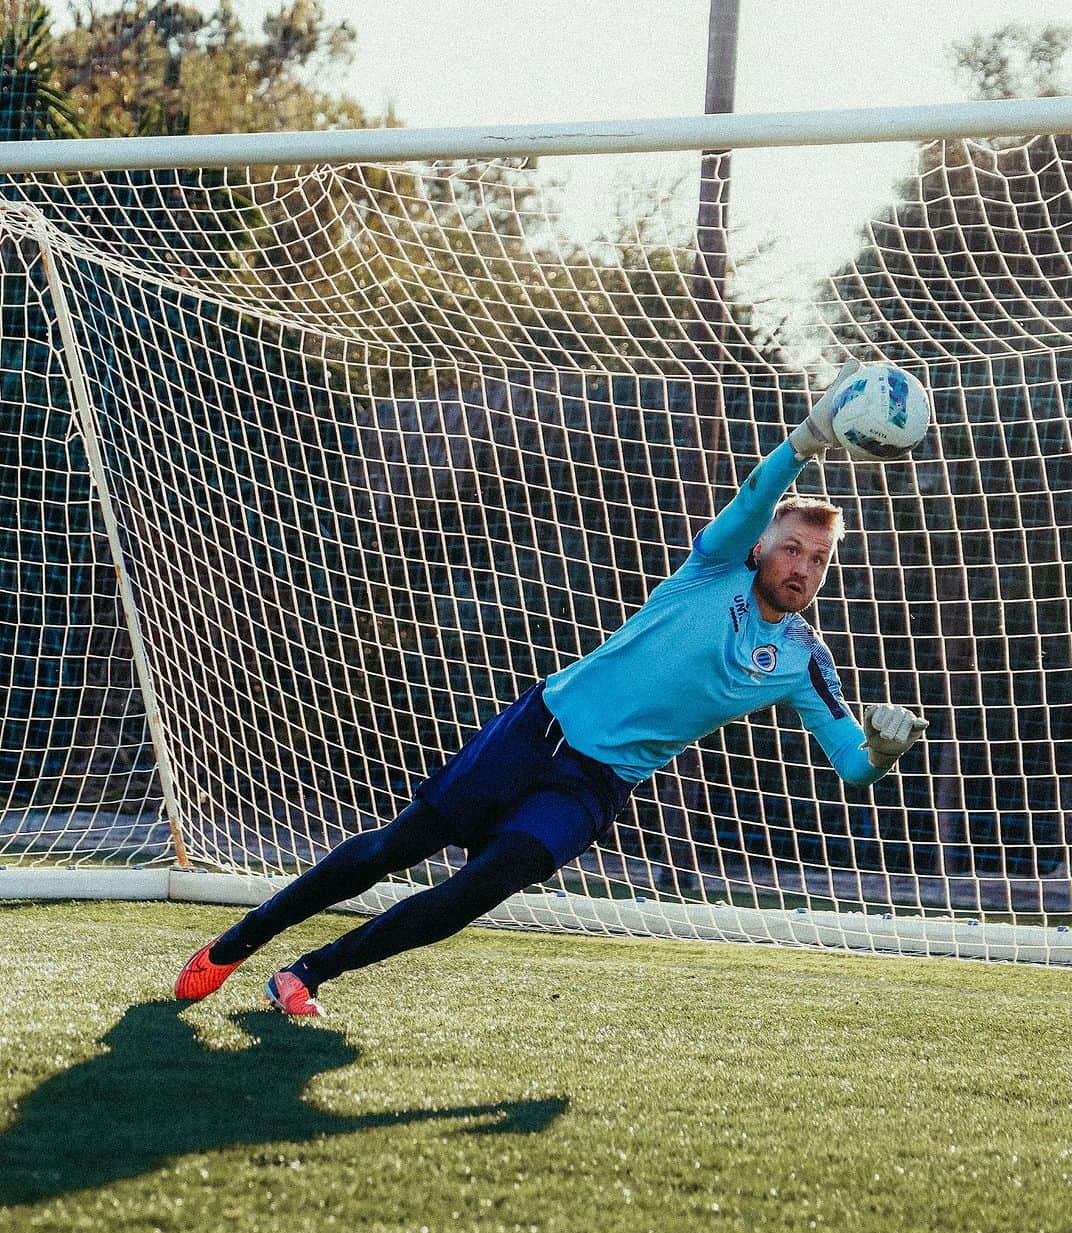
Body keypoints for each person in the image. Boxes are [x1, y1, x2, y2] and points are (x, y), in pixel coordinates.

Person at [175, 361, 929, 1016]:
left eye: (818, 559)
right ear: (763, 546)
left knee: (474, 891)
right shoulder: (715, 566)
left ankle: (306, 972)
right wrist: (807, 435)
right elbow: (753, 493)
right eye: (791, 546)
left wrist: (884, 750)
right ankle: (240, 939)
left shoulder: (803, 658)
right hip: (540, 727)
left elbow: (854, 763)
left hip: (595, 786)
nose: (801, 565)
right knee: (396, 847)